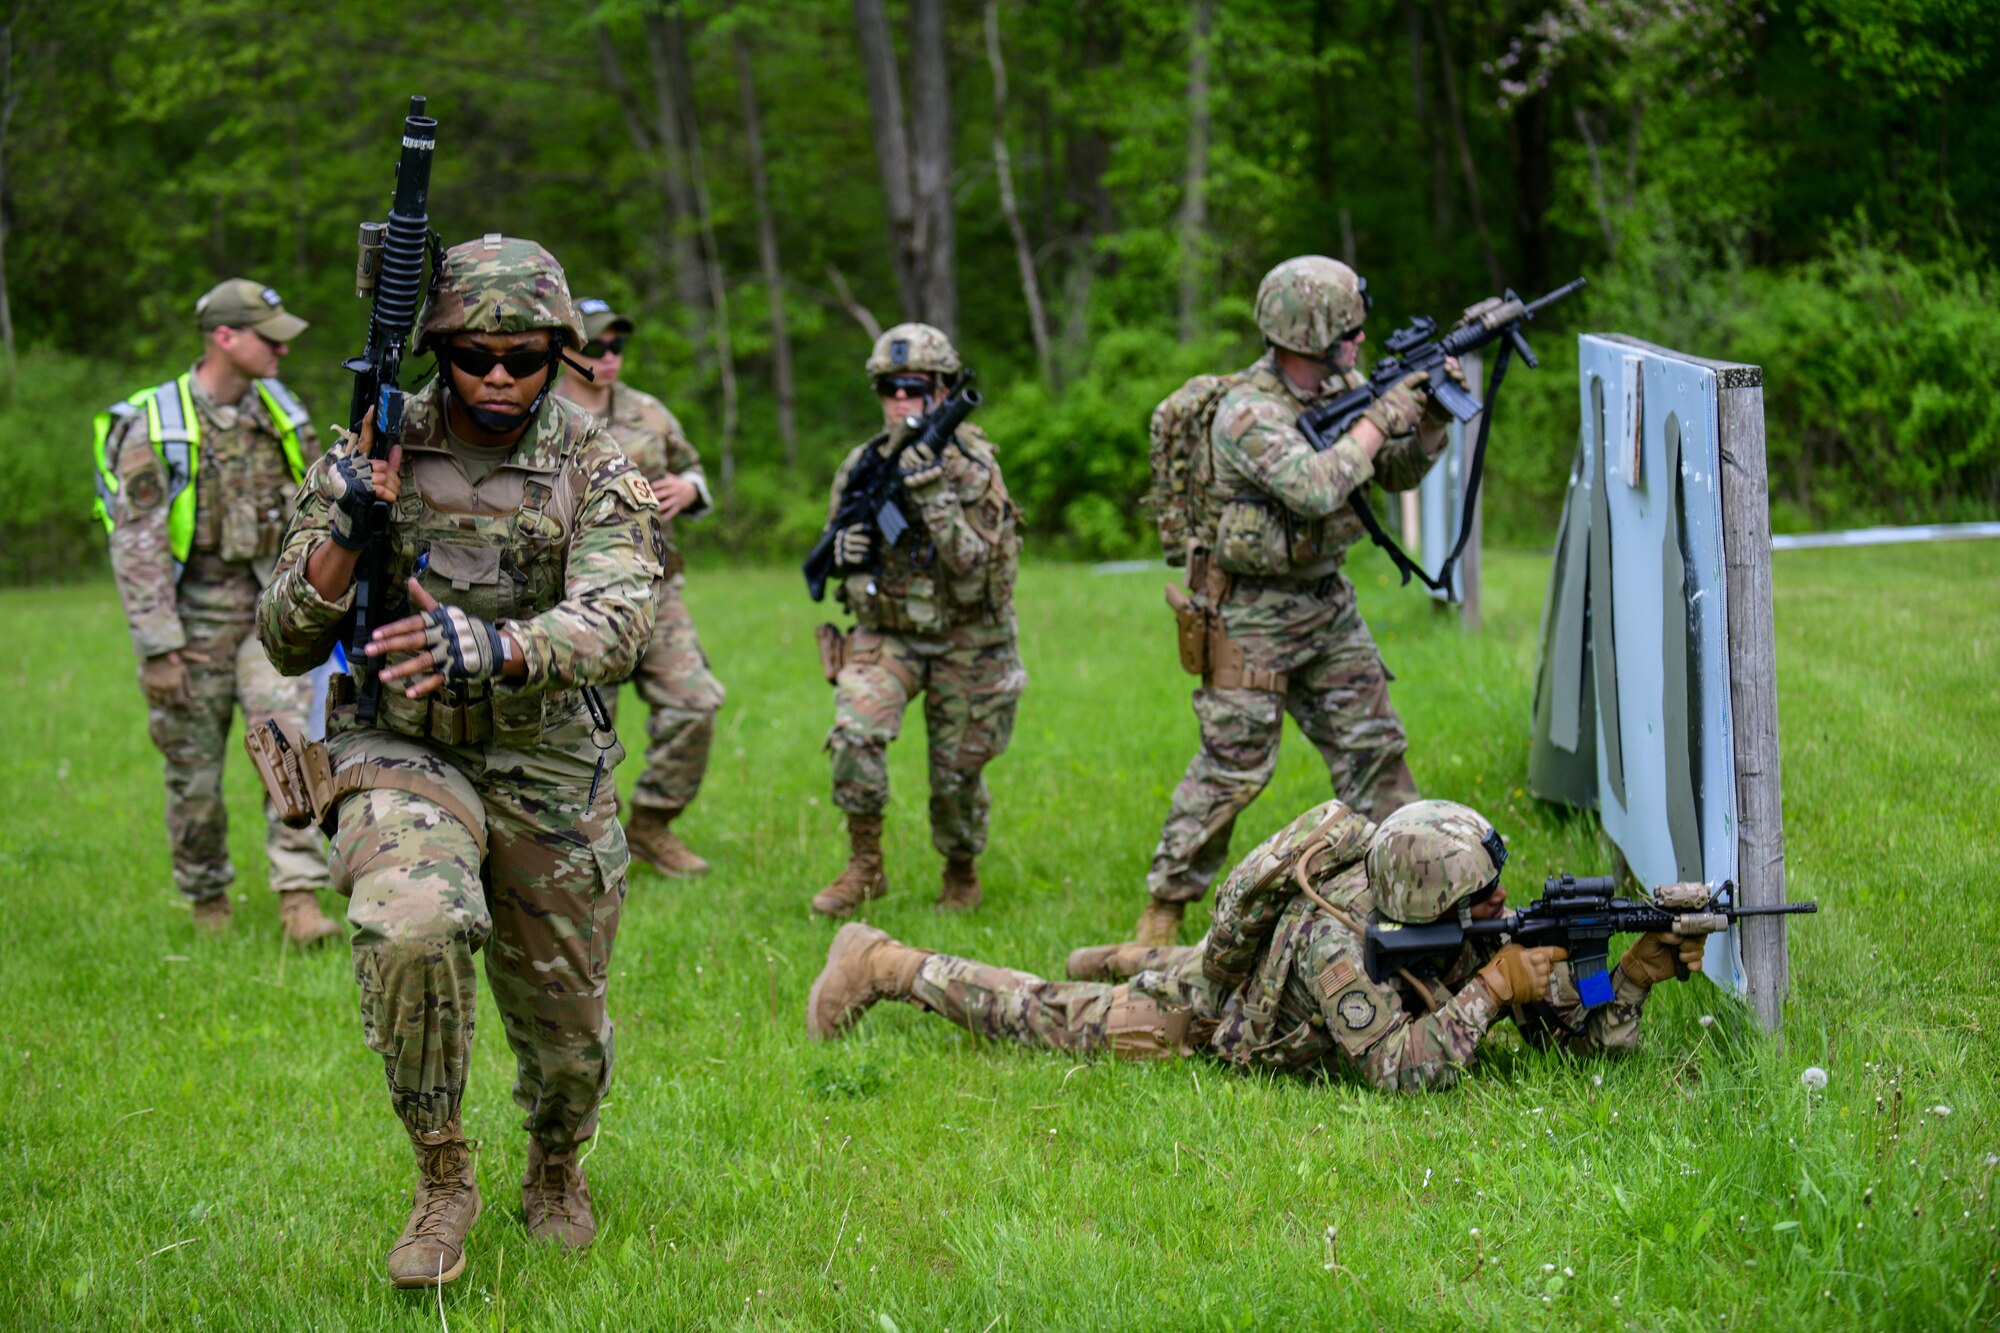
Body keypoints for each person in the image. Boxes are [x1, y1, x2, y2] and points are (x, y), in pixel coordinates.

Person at [257, 236, 662, 1286]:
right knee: (411, 922)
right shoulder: (374, 446)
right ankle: (442, 1174)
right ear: (438, 347)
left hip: (545, 756)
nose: (495, 378)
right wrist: (349, 524)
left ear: (558, 355)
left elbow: (620, 618)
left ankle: (556, 1159)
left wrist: (501, 641)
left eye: (521, 358)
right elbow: (284, 636)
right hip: (403, 744)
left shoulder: (595, 463)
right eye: (472, 355)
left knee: (568, 1037)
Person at [806, 799, 1707, 1090]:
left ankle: (1127, 952)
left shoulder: (1449, 915)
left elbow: (1577, 1033)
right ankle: (884, 961)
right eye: (1489, 896)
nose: (1503, 904)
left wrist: (1629, 975)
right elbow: (1393, 1069)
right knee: (1057, 1015)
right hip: (1214, 1017)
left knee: (1177, 957)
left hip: (1244, 967)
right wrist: (1491, 990)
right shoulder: (1337, 943)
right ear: (1438, 898)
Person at [1133, 255, 1458, 947]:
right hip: (1250, 613)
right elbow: (1314, 485)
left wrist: (1427, 420)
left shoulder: (1339, 389)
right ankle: (1165, 904)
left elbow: (1389, 471)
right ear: (1312, 332)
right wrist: (1381, 415)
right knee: (1233, 766)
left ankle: (1422, 894)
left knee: (1375, 751)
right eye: (1349, 330)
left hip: (1325, 604)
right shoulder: (1247, 414)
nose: (1360, 342)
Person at [91, 278, 338, 945]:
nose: (282, 351)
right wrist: (157, 649)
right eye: (269, 337)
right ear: (225, 338)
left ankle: (298, 897)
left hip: (268, 612)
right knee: (193, 771)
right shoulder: (158, 425)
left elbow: (314, 504)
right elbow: (138, 544)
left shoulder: (280, 410)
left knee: (290, 746)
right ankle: (207, 902)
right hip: (190, 617)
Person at [811, 323, 1024, 916]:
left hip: (968, 639)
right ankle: (865, 866)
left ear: (944, 390)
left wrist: (931, 490)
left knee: (956, 776)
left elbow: (975, 569)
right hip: (889, 634)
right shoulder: (864, 463)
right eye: (890, 387)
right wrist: (847, 557)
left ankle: (960, 871)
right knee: (856, 733)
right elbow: (834, 547)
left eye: (916, 386)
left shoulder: (973, 468)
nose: (901, 399)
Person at [555, 297, 723, 876]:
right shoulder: (537, 416)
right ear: (565, 350)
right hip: (570, 598)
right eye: (595, 346)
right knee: (582, 733)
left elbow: (694, 468)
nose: (609, 357)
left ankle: (652, 824)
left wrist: (691, 490)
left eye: (617, 346)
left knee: (695, 704)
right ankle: (595, 838)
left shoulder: (650, 412)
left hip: (655, 588)